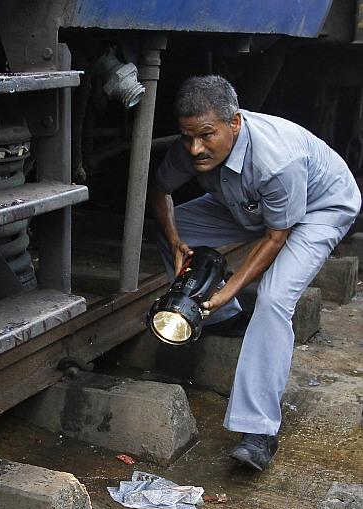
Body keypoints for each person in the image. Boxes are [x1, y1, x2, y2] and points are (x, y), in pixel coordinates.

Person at [149, 75, 361, 471]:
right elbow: (160, 191)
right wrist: (178, 240)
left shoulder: (276, 161)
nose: (196, 148)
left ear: (235, 123)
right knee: (171, 232)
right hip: (254, 203)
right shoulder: (191, 146)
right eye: (188, 137)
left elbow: (276, 236)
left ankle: (259, 431)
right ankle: (224, 320)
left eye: (207, 136)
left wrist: (231, 286)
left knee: (274, 299)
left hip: (319, 208)